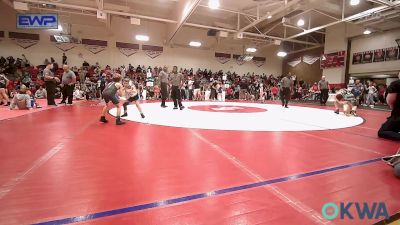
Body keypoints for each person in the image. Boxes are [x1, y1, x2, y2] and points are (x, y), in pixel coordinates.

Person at [378, 73, 400, 141]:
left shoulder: (396, 84)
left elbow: (390, 101)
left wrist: (394, 109)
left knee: (382, 131)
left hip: (398, 115)